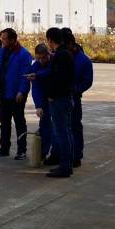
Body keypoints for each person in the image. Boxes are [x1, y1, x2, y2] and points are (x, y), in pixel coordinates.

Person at [0, 28, 32, 160]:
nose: (2, 41)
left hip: (16, 94)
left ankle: (22, 151)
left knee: (19, 122)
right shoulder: (3, 51)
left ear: (13, 40)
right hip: (3, 92)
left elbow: (25, 76)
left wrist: (22, 91)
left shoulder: (24, 54)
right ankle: (4, 148)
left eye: (4, 39)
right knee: (4, 123)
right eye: (1, 38)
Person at [43, 27, 75, 177]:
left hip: (60, 100)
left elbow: (59, 79)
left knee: (62, 133)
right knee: (66, 132)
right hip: (66, 98)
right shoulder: (65, 54)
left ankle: (65, 167)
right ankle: (67, 164)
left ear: (50, 40)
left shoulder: (61, 56)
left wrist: (51, 95)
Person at [61, 27, 93, 167]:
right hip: (60, 97)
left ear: (70, 44)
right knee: (61, 128)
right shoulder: (60, 56)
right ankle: (62, 154)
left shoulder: (83, 60)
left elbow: (87, 81)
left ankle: (76, 155)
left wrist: (74, 90)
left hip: (73, 98)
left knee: (74, 127)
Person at [26, 43, 53, 164]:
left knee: (59, 129)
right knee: (45, 127)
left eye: (43, 58)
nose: (41, 61)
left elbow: (50, 72)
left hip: (56, 99)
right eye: (38, 58)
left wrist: (37, 75)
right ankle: (42, 153)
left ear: (48, 54)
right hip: (44, 101)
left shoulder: (55, 61)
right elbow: (36, 88)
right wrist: (38, 106)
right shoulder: (36, 66)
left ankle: (57, 154)